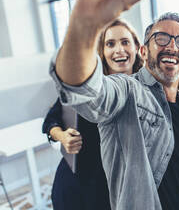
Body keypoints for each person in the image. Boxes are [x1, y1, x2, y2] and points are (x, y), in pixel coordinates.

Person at [49, 0, 179, 209]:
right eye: (161, 38)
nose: (172, 46)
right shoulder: (127, 92)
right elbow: (85, 90)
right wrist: (86, 23)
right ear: (143, 51)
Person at [42, 18, 143, 210]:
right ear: (102, 53)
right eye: (110, 44)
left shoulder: (146, 89)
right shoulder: (87, 89)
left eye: (125, 42)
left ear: (137, 47)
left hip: (119, 188)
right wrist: (63, 136)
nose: (118, 49)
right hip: (77, 185)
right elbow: (51, 119)